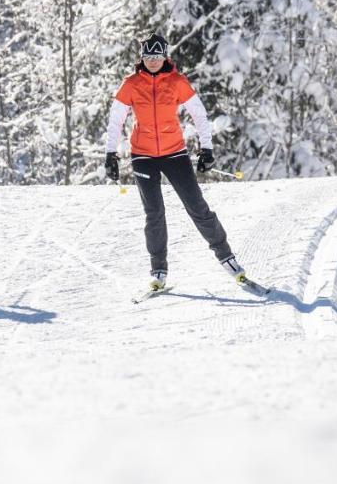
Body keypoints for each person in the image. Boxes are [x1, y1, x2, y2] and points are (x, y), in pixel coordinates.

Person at [104, 33, 256, 294]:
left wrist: (206, 148)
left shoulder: (176, 81)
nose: (153, 61)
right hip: (143, 155)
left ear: (165, 57)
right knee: (154, 213)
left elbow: (199, 113)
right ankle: (158, 271)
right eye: (148, 57)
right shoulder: (130, 84)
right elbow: (116, 119)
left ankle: (228, 259)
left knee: (197, 207)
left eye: (157, 56)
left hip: (175, 153)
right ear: (142, 58)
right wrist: (110, 154)